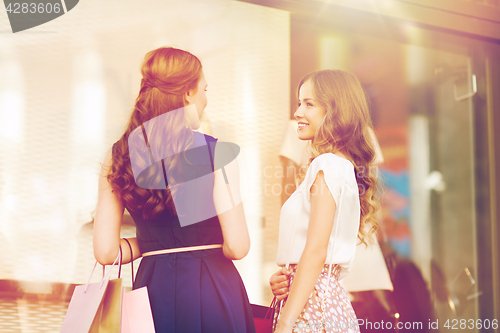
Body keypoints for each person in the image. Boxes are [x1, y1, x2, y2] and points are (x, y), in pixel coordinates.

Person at [93, 47, 256, 332]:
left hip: (152, 291)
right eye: (204, 89)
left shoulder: (118, 156)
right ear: (188, 94)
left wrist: (155, 242)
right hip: (212, 290)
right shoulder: (217, 154)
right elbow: (238, 246)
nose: (206, 99)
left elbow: (106, 252)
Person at [270, 69, 379, 333]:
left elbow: (317, 251)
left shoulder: (326, 164)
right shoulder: (340, 166)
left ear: (335, 112)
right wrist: (286, 276)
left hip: (311, 308)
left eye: (309, 104)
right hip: (324, 302)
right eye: (299, 103)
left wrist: (285, 322)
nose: (297, 112)